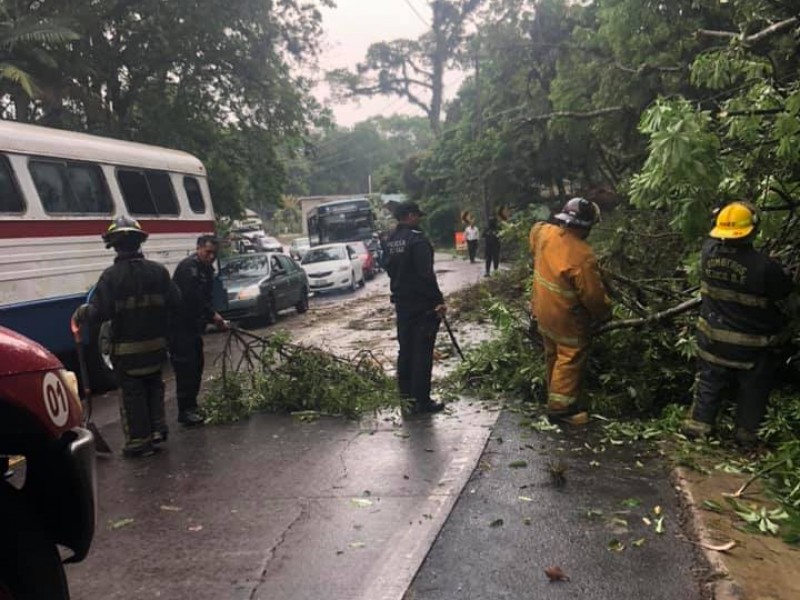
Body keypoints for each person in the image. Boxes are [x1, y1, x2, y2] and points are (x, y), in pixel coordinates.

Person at [682, 201, 794, 446]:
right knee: (753, 387)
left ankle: (698, 429)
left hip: (711, 340)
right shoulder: (765, 267)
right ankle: (747, 435)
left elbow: (712, 234)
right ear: (753, 231)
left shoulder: (708, 253)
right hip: (751, 347)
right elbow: (785, 292)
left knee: (709, 382)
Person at [73, 217, 181, 458]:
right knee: (154, 387)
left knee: (133, 394)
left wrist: (83, 312)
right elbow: (176, 302)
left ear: (114, 245)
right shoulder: (159, 272)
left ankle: (138, 442)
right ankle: (157, 431)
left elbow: (100, 311)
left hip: (127, 353)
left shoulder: (110, 277)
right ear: (139, 242)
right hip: (156, 348)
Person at [529, 197, 611, 425]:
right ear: (586, 226)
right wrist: (605, 313)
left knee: (552, 353)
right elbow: (593, 297)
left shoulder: (544, 233)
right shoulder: (582, 255)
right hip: (566, 317)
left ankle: (553, 395)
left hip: (542, 310)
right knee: (570, 355)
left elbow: (533, 232)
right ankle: (561, 410)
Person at [386, 201, 446, 415]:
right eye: (417, 216)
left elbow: (389, 268)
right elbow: (426, 275)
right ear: (410, 216)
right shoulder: (417, 241)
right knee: (422, 352)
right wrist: (438, 300)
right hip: (422, 306)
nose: (419, 219)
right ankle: (421, 401)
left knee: (406, 350)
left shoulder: (390, 240)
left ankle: (406, 400)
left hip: (402, 304)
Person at [170, 235, 229, 426]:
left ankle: (192, 406)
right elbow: (193, 297)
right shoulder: (189, 268)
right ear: (198, 249)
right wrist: (213, 316)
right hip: (180, 328)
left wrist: (210, 318)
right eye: (207, 252)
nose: (211, 256)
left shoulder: (206, 270)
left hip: (194, 328)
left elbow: (207, 297)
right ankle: (185, 411)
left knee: (196, 366)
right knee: (186, 368)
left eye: (214, 253)